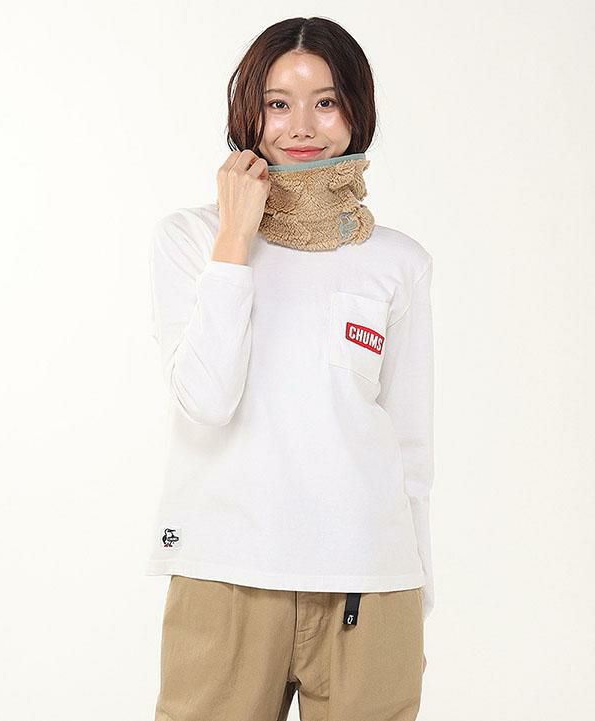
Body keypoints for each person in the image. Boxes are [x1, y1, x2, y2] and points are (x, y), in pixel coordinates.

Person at [147, 16, 435, 721]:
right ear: (249, 111)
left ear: (356, 111)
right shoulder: (191, 238)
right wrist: (234, 238)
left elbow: (410, 444)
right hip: (225, 572)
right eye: (278, 103)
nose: (301, 126)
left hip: (369, 585)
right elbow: (205, 400)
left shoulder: (398, 261)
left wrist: (416, 592)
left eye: (325, 101)